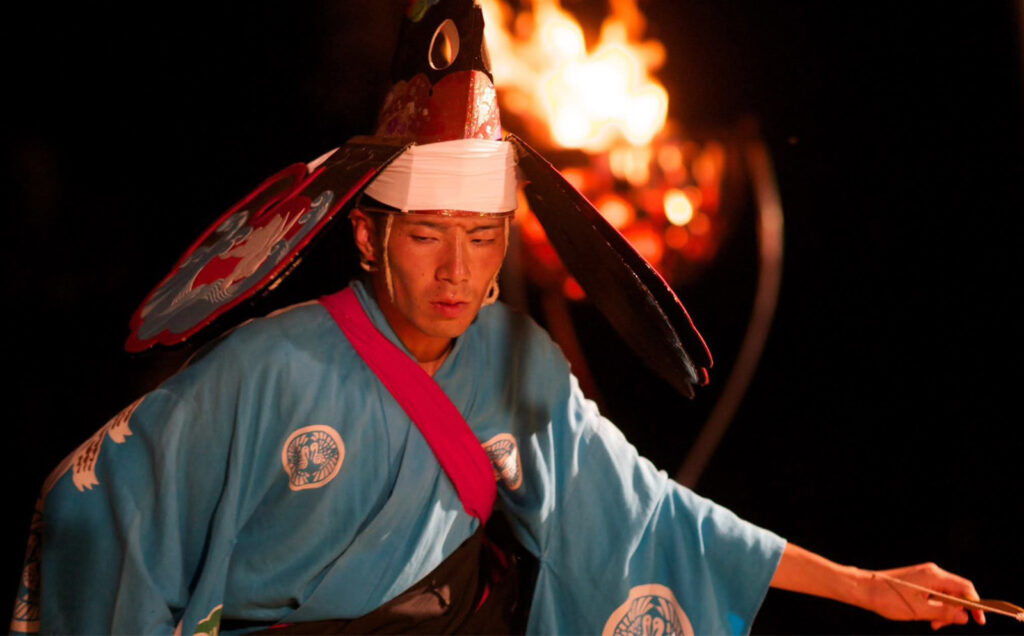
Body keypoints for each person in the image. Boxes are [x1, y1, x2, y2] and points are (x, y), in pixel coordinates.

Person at [10, 1, 987, 634]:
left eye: (483, 237)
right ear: (368, 236)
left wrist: (866, 586)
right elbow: (97, 502)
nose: (458, 269)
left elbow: (649, 514)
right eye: (428, 235)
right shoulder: (269, 366)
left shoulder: (515, 362)